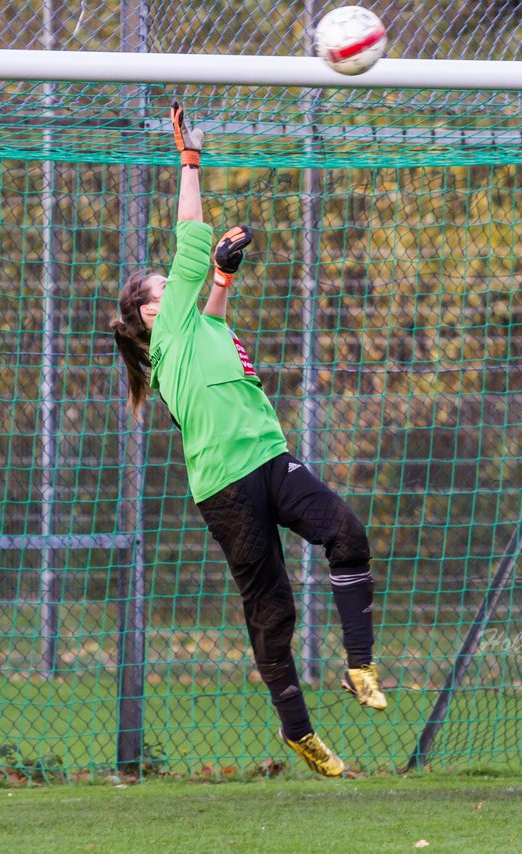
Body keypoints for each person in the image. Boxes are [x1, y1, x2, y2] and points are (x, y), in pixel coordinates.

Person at [109, 102, 386, 778]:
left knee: (347, 533)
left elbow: (212, 303)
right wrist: (190, 161)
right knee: (273, 608)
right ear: (152, 311)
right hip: (226, 490)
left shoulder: (197, 324)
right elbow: (191, 232)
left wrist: (226, 273)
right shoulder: (168, 336)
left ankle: (361, 664)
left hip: (270, 458)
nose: (176, 283)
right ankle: (299, 732)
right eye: (165, 285)